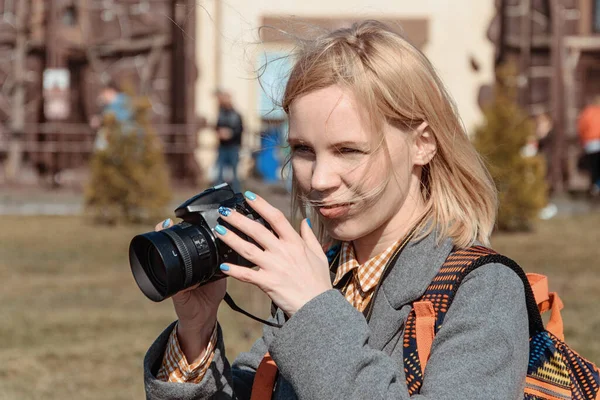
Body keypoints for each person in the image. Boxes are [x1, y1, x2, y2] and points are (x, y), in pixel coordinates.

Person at [144, 21, 528, 399]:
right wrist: (196, 333)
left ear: (422, 144)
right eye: (303, 150)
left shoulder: (483, 288)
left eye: (348, 150)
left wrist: (313, 311)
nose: (320, 179)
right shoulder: (323, 272)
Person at [214, 90, 244, 192]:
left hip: (233, 147)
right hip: (222, 147)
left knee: (234, 173)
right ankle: (217, 193)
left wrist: (230, 134)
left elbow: (240, 130)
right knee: (219, 172)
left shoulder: (236, 115)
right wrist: (219, 132)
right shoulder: (221, 113)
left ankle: (236, 193)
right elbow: (217, 126)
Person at [577, 95, 600, 198]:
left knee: (594, 168)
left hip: (590, 144)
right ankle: (596, 186)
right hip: (596, 141)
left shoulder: (587, 113)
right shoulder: (594, 113)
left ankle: (595, 186)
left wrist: (583, 141)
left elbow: (581, 128)